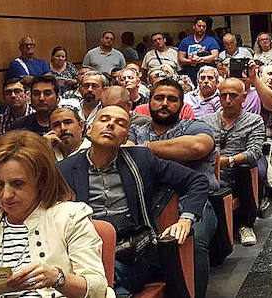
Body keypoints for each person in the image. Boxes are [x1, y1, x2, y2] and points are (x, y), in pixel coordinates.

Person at [0, 130, 114, 298]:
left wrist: (57, 278)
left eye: (17, 184)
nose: (6, 195)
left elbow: (98, 289)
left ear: (41, 181)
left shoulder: (70, 217)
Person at [59, 106, 208, 295]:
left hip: (132, 252)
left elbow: (196, 180)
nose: (111, 125)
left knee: (102, 278)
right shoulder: (64, 169)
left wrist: (185, 218)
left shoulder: (141, 159)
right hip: (83, 251)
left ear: (125, 138)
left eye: (120, 123)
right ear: (89, 129)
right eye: (104, 120)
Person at [203, 78, 265, 246]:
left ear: (244, 97)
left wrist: (226, 161)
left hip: (236, 171)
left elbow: (254, 152)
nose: (228, 100)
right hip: (209, 170)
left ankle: (245, 225)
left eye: (233, 95)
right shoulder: (207, 121)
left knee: (244, 170)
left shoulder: (254, 120)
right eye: (223, 96)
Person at [178, 18, 220, 82]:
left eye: (204, 26)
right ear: (194, 26)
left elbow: (215, 55)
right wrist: (191, 61)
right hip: (189, 75)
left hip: (206, 75)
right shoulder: (185, 41)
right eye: (199, 26)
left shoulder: (211, 41)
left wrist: (201, 59)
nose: (201, 28)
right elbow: (181, 59)